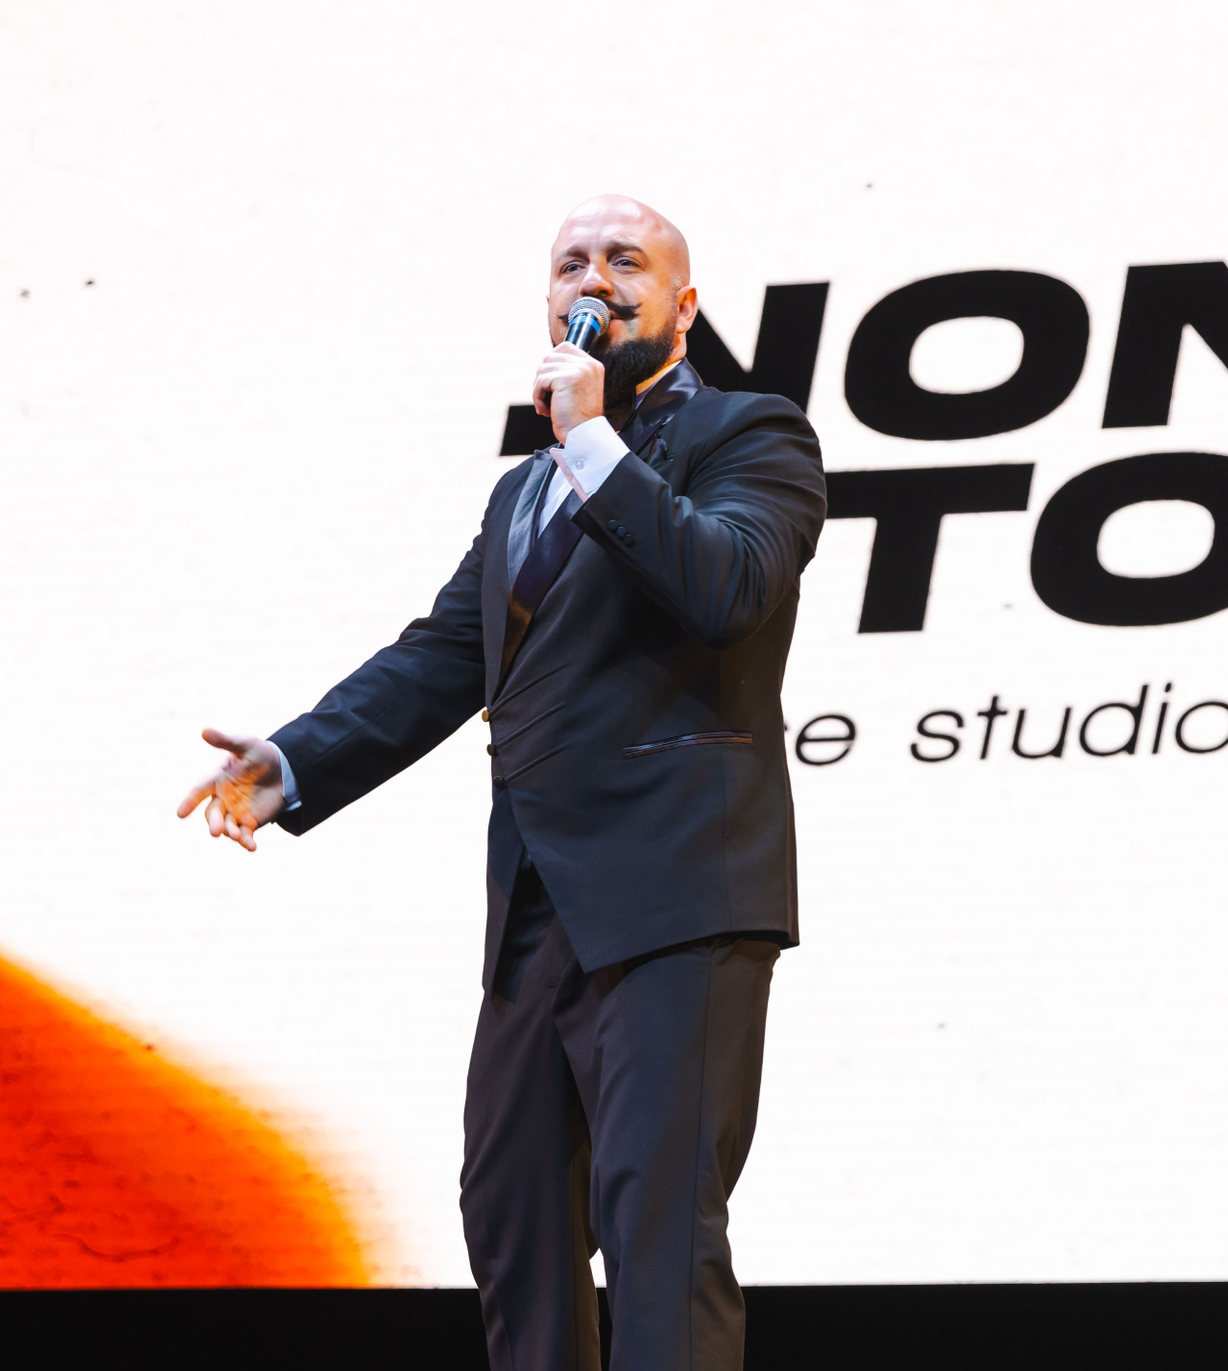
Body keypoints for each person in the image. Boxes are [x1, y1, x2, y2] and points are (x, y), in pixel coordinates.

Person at [178, 194, 826, 1371]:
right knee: (512, 1211)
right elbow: (445, 655)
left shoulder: (751, 432)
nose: (596, 280)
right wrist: (301, 756)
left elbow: (727, 585)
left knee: (657, 1225)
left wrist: (593, 441)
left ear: (684, 307)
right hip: (538, 901)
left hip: (677, 891)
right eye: (572, 263)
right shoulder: (521, 490)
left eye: (626, 262)